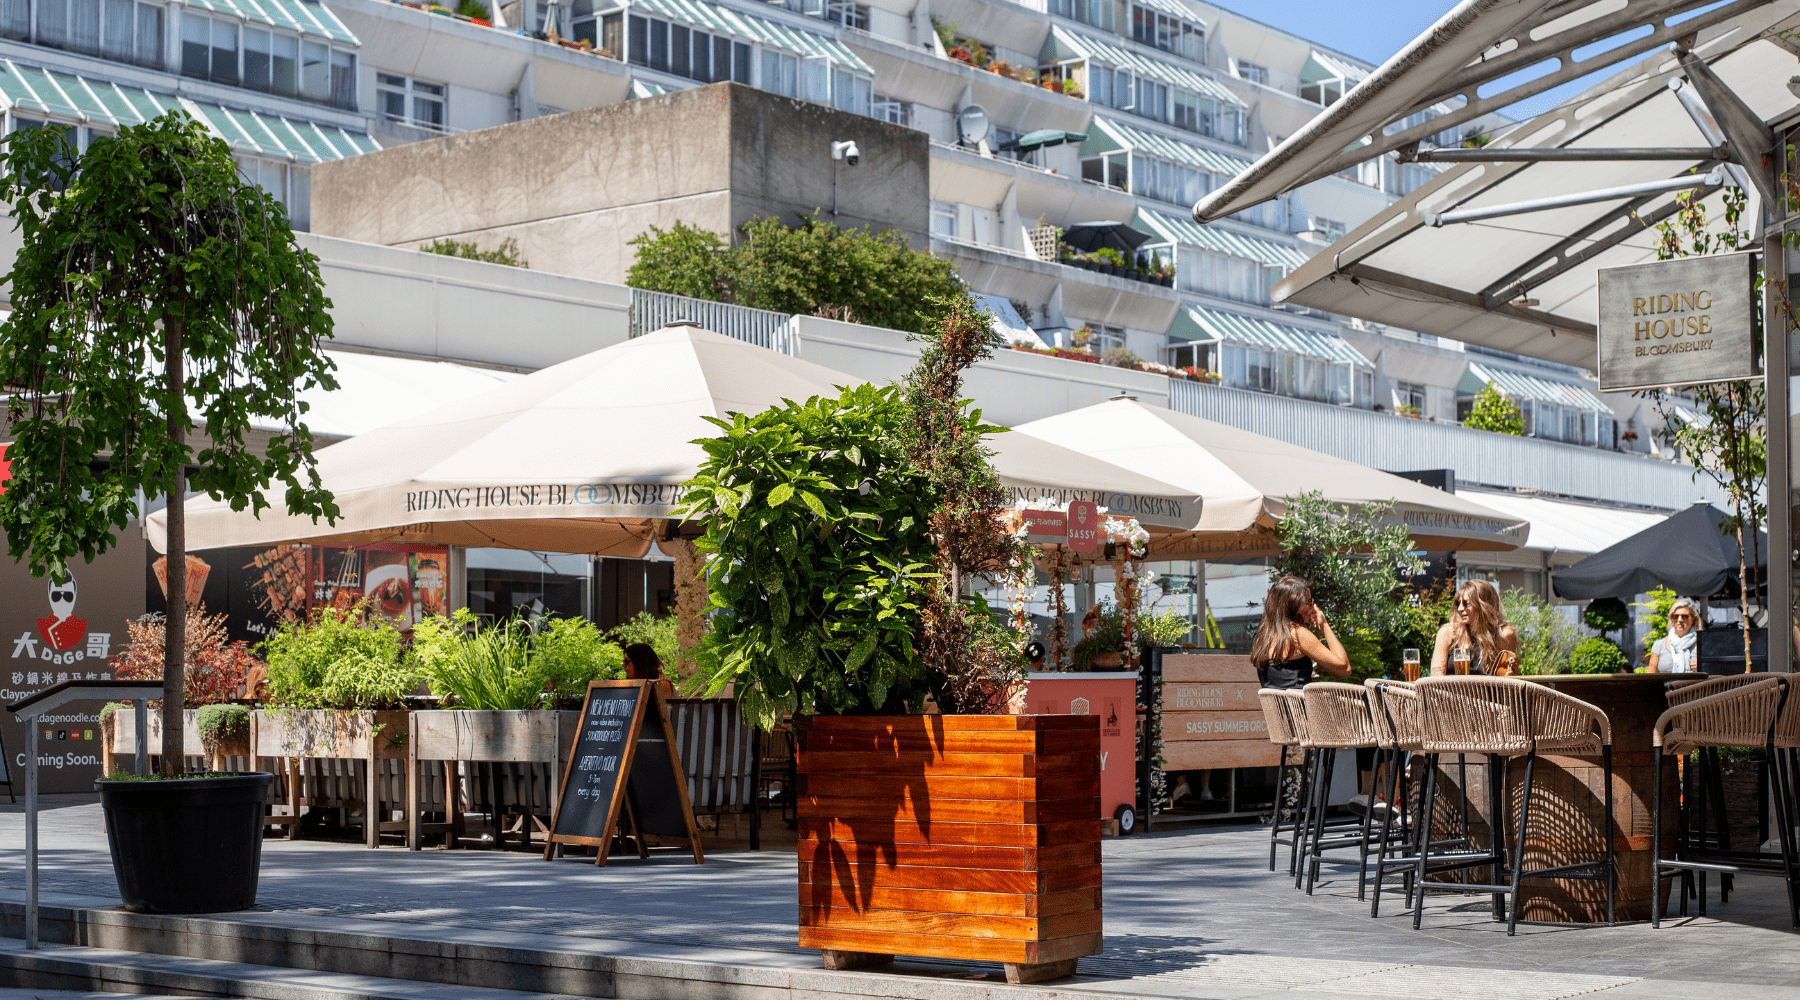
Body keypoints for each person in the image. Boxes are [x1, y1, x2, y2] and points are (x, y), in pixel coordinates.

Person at [1250, 576, 1350, 689]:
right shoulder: (1298, 635)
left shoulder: (1263, 637)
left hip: (1278, 706)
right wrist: (1325, 625)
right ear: (1294, 605)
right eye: (1308, 602)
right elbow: (1345, 668)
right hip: (1300, 706)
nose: (1311, 607)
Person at [1430, 579, 1520, 676]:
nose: (1460, 609)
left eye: (1466, 604)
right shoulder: (1447, 633)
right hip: (1450, 691)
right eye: (1458, 603)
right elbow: (1436, 678)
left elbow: (1507, 679)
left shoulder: (1504, 635)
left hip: (1487, 691)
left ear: (1483, 606)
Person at [1644, 598, 1702, 673]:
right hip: (1666, 685)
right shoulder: (1659, 645)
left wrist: (1702, 668)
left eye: (1684, 616)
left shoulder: (1702, 644)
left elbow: (1713, 675)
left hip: (1695, 685)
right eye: (1675, 616)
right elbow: (1651, 678)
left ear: (1693, 619)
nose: (1680, 620)